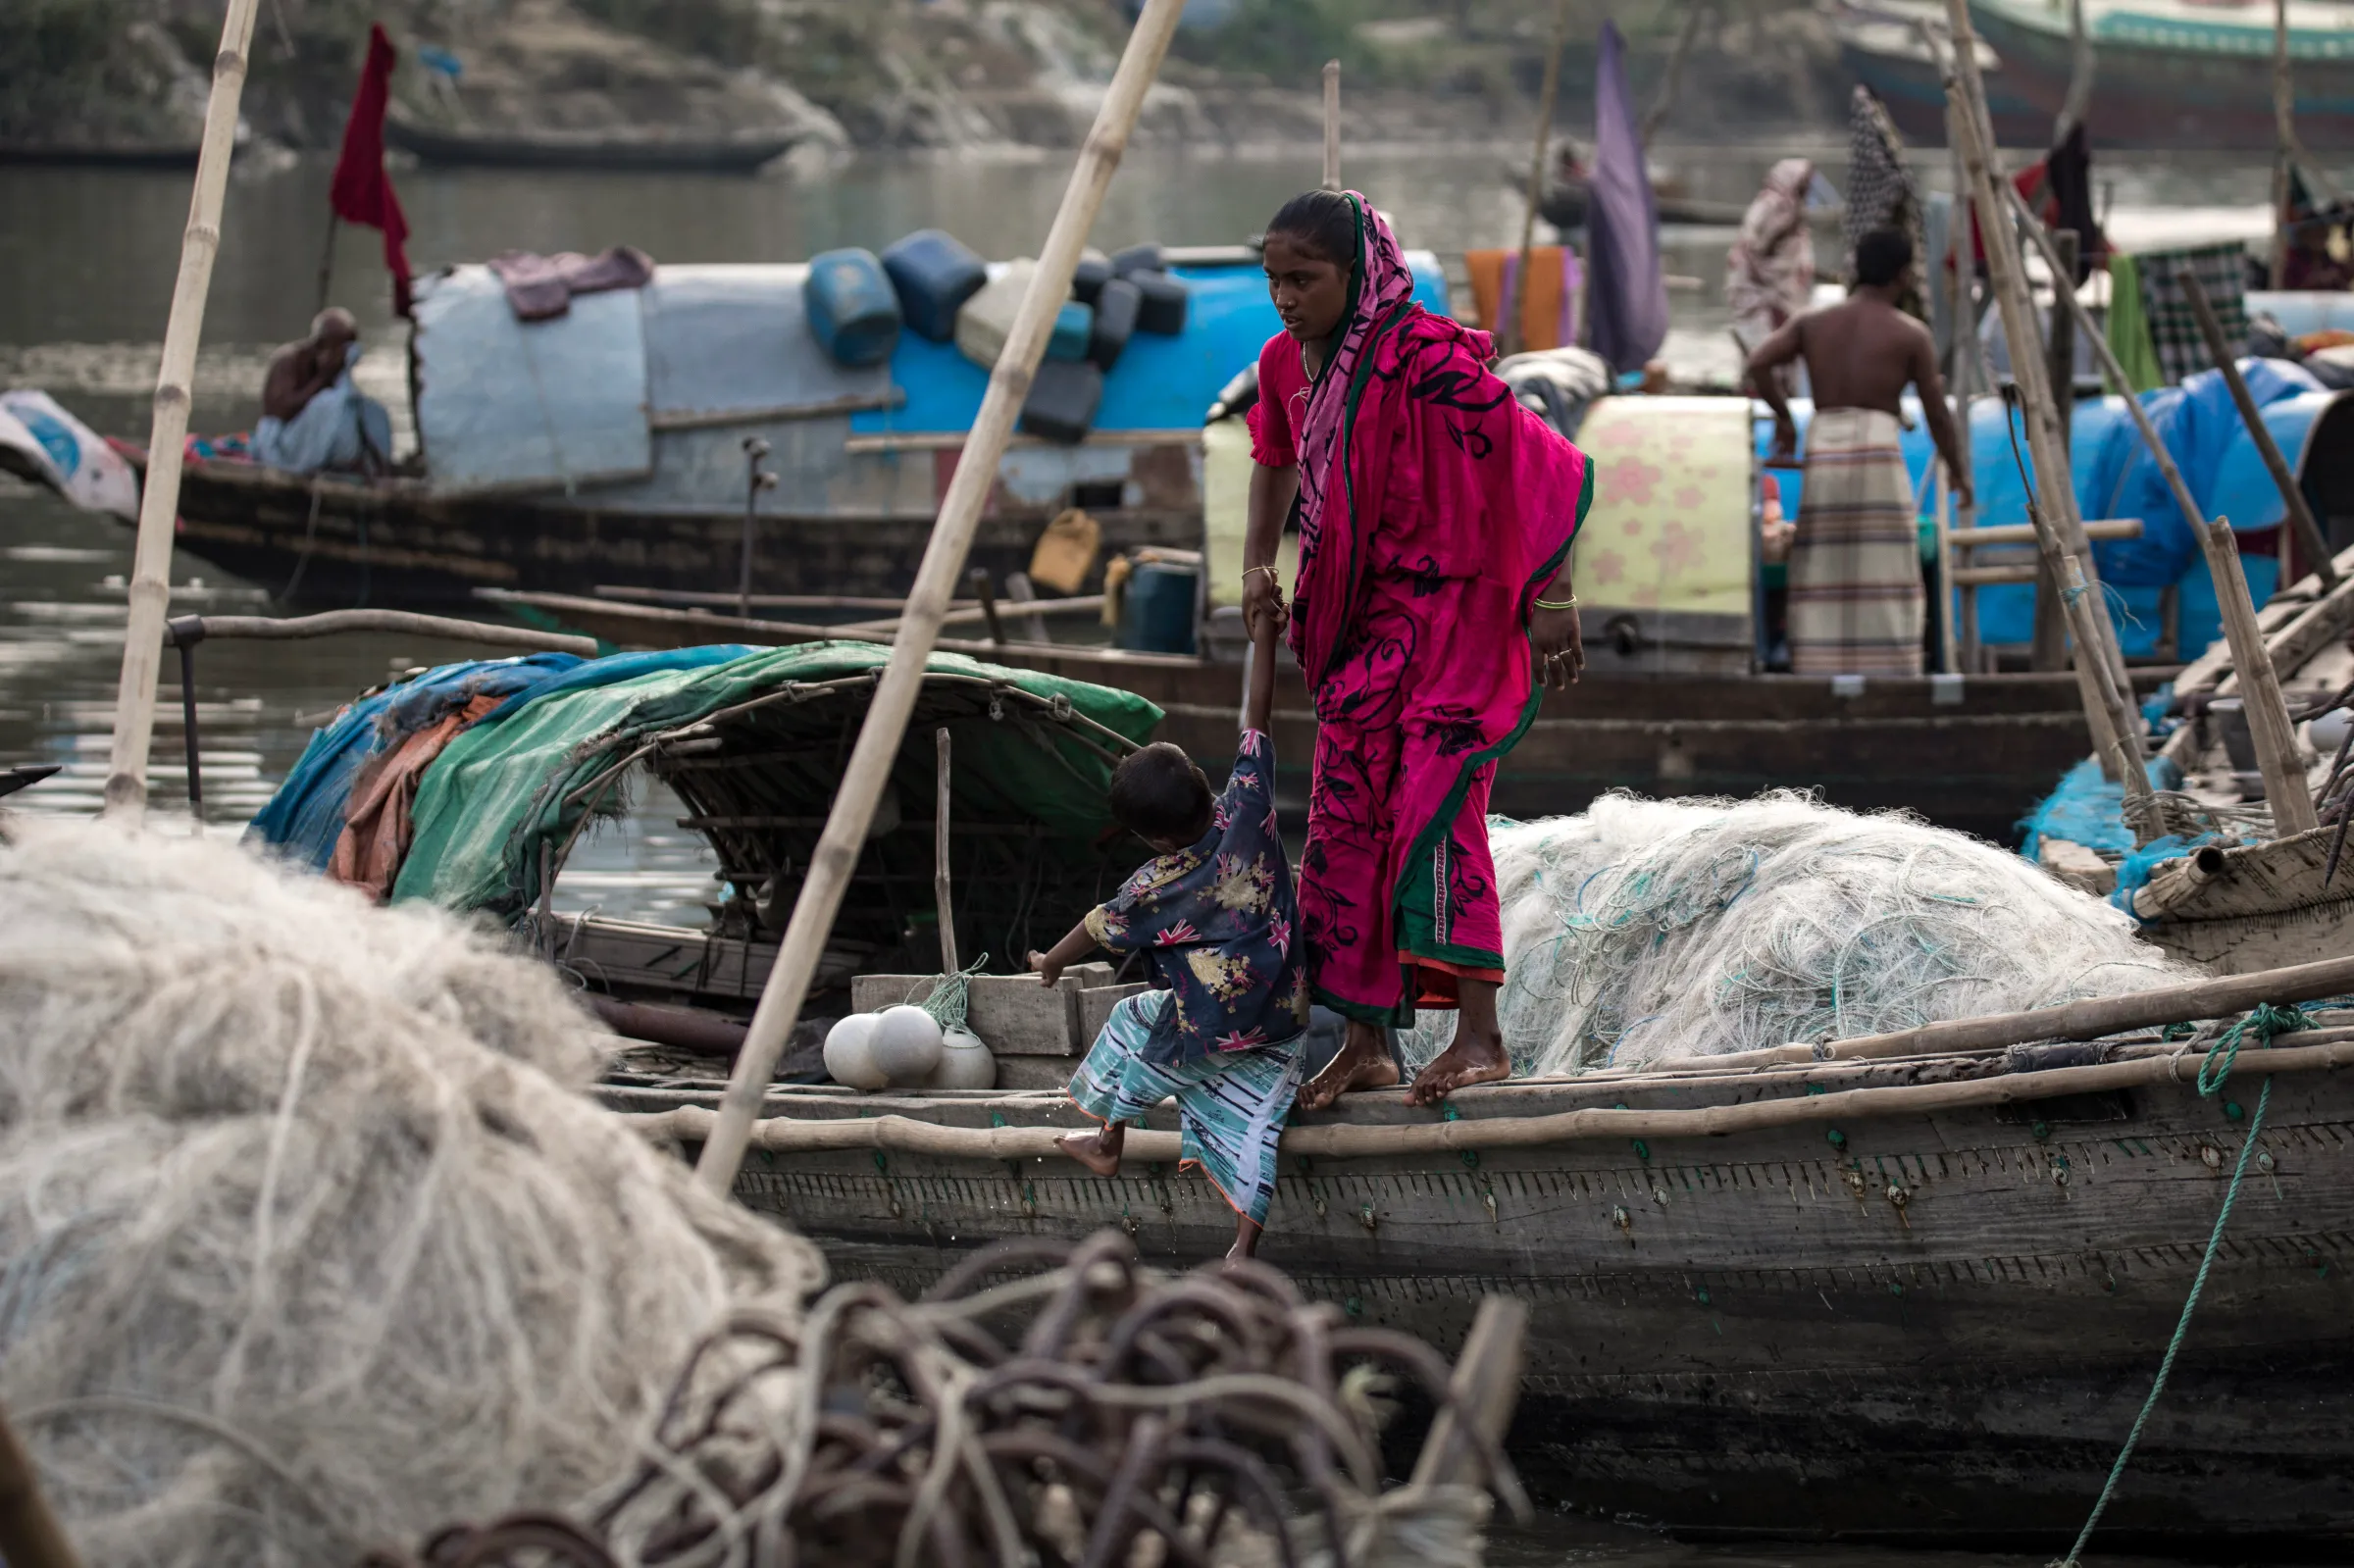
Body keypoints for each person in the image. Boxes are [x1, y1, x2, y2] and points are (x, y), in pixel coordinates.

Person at [1240, 190, 1590, 1111]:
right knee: (1346, 826)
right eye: (1273, 279)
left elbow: (1535, 455)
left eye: (1303, 279)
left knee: (1438, 809)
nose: (1284, 297)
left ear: (1357, 274)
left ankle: (1481, 1038)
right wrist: (1252, 564)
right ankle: (1367, 1044)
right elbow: (1273, 457)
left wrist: (1551, 595)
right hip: (1353, 634)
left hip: (1451, 623)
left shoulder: (1423, 355)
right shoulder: (1283, 363)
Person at [1030, 609, 1307, 1261]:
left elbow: (1097, 926)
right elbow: (1257, 714)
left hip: (1213, 1030)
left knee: (1133, 1022)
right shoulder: (1250, 808)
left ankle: (1108, 1140)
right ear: (1205, 787)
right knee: (1257, 1124)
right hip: (1285, 1016)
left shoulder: (1154, 884)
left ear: (1154, 838)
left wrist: (1048, 963)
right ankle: (1242, 1247)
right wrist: (1266, 634)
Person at [1746, 227, 1971, 678]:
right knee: (1886, 568)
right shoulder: (1911, 335)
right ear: (1904, 275)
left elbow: (1757, 365)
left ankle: (1816, 667)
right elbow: (1938, 417)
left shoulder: (1813, 323)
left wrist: (1786, 419)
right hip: (1877, 456)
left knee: (1821, 565)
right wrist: (1960, 474)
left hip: (1826, 448)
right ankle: (1889, 668)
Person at [255, 308, 392, 476]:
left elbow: (351, 413)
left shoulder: (338, 371)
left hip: (312, 439)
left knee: (366, 408)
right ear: (321, 345)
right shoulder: (288, 360)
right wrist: (322, 378)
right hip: (281, 438)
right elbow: (280, 411)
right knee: (327, 403)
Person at [1726, 159, 1817, 386]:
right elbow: (1756, 248)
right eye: (1804, 181)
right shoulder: (1776, 207)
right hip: (1765, 292)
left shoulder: (1788, 206)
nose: (1807, 186)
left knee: (1779, 347)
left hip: (1778, 291)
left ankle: (1777, 394)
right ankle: (1768, 397)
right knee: (1767, 349)